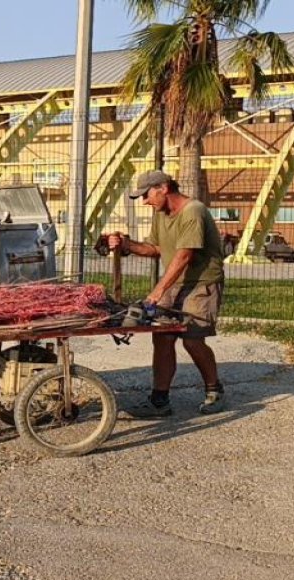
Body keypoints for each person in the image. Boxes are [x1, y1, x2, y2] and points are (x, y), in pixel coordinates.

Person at [108, 170, 227, 417]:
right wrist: (126, 245)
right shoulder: (160, 214)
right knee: (162, 337)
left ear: (163, 188)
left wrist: (156, 293)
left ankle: (215, 390)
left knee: (192, 339)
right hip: (175, 282)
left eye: (147, 194)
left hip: (201, 283)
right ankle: (159, 401)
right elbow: (155, 248)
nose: (145, 201)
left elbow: (185, 255)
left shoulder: (193, 211)